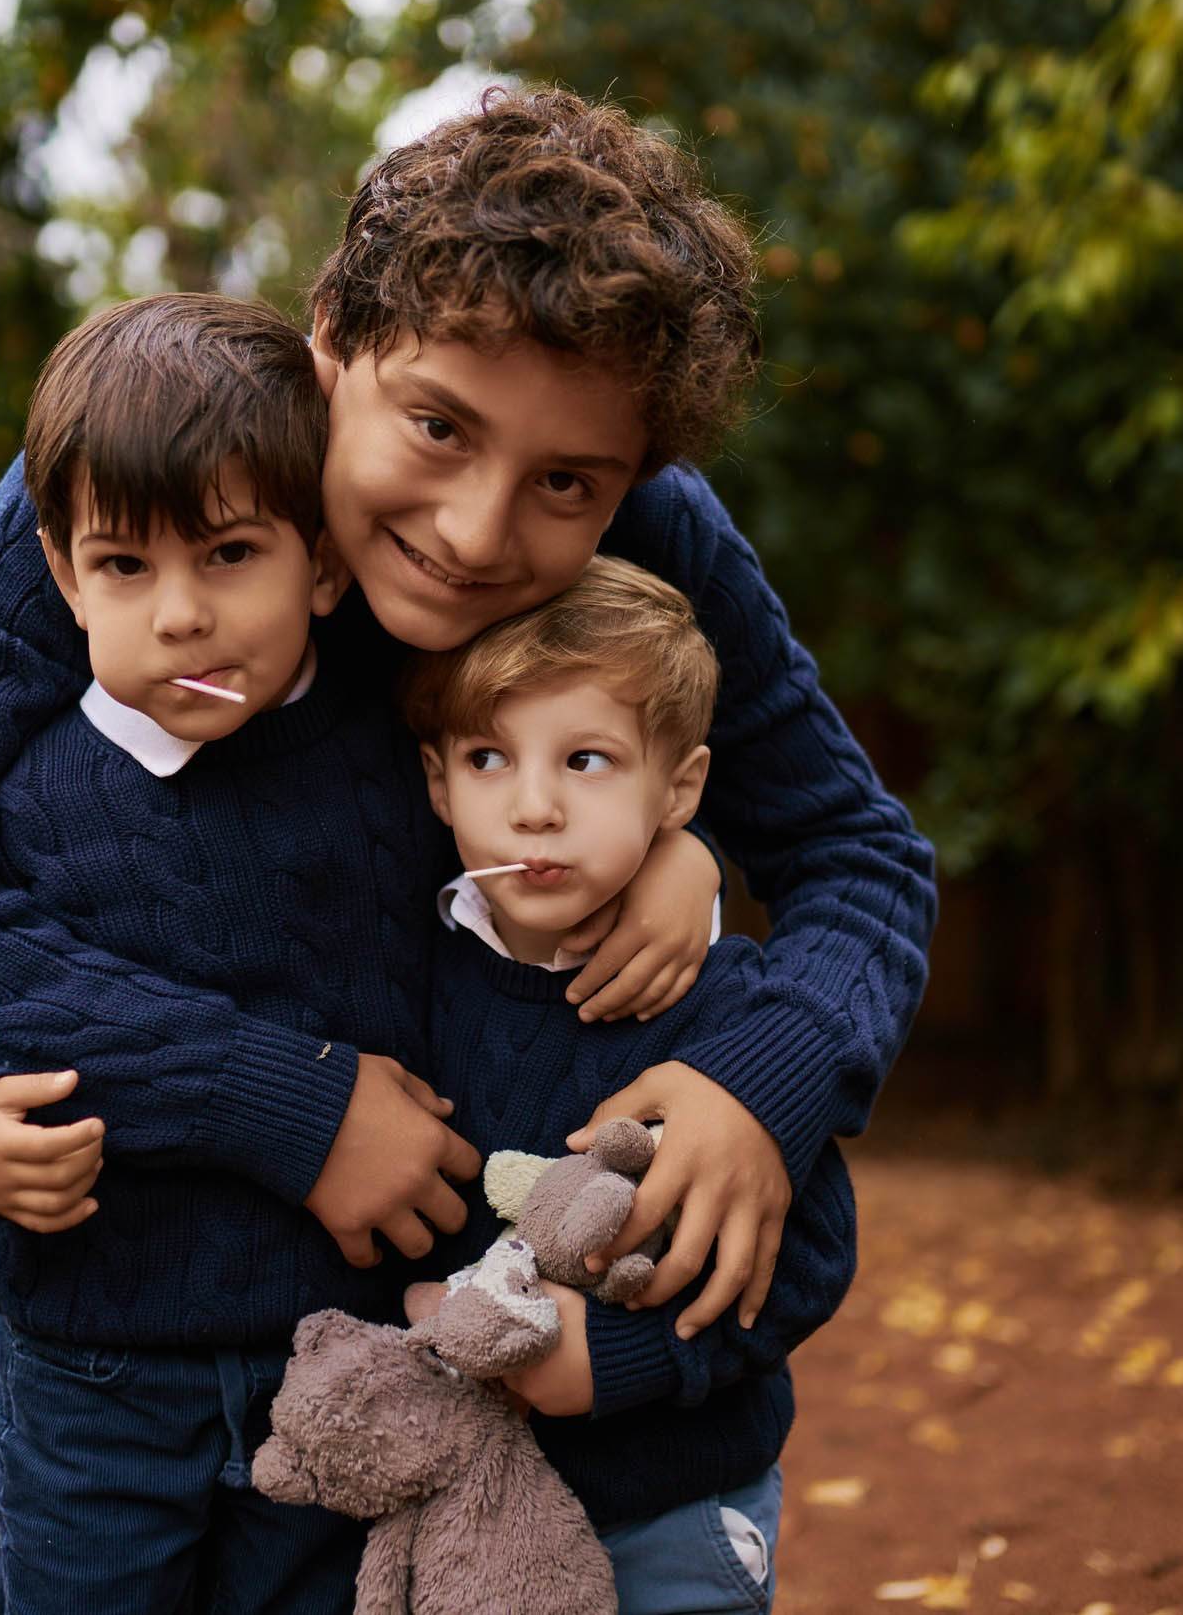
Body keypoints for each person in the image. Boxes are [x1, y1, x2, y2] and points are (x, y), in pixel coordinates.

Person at [0, 84, 937, 1607]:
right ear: (332, 336)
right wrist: (290, 1103)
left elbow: (860, 848)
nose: (475, 527)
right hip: (130, 1338)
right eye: (437, 425)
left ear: (635, 478)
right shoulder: (135, 496)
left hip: (396, 1377)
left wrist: (760, 1064)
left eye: (566, 484)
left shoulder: (658, 534)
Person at [0, 290, 490, 1613]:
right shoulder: (18, 800)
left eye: (230, 555)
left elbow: (517, 915)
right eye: (125, 566)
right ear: (62, 572)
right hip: (91, 1372)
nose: (181, 614)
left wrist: (685, 872)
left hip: (342, 1363)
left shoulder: (393, 763)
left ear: (322, 563)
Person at [398, 556, 859, 1614]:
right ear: (436, 782)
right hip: (465, 1514)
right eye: (487, 758)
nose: (535, 808)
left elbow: (810, 1257)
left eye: (588, 760)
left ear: (681, 788)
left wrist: (613, 1358)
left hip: (674, 1508)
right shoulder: (404, 982)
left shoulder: (731, 1015)